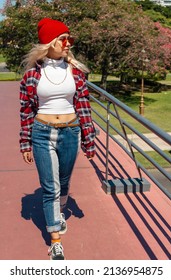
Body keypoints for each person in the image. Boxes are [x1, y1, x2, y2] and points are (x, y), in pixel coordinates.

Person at [19, 18, 96, 260]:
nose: (68, 44)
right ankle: (55, 240)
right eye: (63, 39)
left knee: (63, 181)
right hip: (42, 133)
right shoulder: (31, 76)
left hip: (71, 131)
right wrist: (25, 142)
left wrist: (89, 139)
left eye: (69, 39)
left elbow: (83, 106)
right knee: (50, 187)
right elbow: (26, 110)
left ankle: (59, 211)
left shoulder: (76, 72)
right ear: (48, 43)